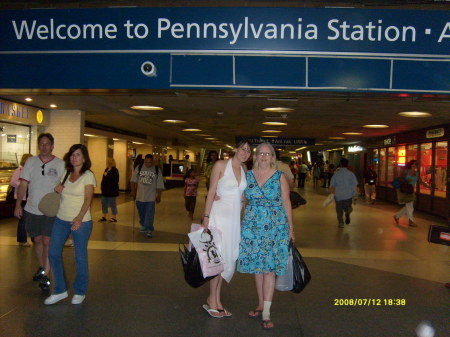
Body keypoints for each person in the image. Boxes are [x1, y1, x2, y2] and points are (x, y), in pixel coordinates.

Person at [238, 142, 294, 330]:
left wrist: (291, 229)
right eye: (260, 153)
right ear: (255, 156)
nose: (263, 156)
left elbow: (286, 203)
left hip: (274, 227)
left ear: (273, 157)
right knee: (257, 267)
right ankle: (261, 304)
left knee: (269, 268)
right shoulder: (248, 175)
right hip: (252, 227)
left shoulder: (280, 177)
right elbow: (242, 198)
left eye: (267, 154)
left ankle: (267, 312)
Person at [201, 140, 251, 318]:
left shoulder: (245, 170)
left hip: (234, 223)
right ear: (235, 149)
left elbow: (243, 197)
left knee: (225, 260)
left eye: (249, 151)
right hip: (218, 218)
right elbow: (212, 190)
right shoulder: (221, 165)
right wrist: (206, 218)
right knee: (217, 260)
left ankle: (214, 298)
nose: (245, 153)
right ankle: (214, 301)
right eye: (243, 149)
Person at [44, 144, 96, 305]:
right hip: (61, 218)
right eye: (72, 155)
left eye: (78, 155)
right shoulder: (66, 173)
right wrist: (57, 189)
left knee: (80, 257)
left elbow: (88, 199)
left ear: (84, 157)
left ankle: (80, 291)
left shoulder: (88, 175)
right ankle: (60, 290)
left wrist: (79, 217)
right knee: (53, 253)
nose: (74, 158)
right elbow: (61, 193)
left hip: (81, 220)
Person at [14, 133, 65, 292]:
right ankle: (42, 267)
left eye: (47, 144)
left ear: (52, 145)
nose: (44, 147)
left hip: (51, 210)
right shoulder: (30, 162)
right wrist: (18, 205)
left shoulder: (60, 164)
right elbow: (23, 185)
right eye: (41, 144)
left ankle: (46, 275)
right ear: (38, 145)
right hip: (32, 209)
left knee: (47, 241)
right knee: (37, 240)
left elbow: (66, 186)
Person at [130, 154, 165, 238]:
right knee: (141, 213)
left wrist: (159, 195)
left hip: (151, 197)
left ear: (152, 161)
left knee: (149, 213)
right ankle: (143, 224)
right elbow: (133, 181)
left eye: (149, 162)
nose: (147, 164)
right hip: (139, 196)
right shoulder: (139, 167)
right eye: (146, 162)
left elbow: (159, 184)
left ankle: (149, 229)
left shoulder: (157, 170)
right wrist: (133, 191)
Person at [393, 160, 428, 227]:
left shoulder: (417, 173)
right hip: (404, 190)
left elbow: (420, 182)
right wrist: (406, 181)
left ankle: (397, 216)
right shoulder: (406, 171)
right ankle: (410, 221)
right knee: (410, 206)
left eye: (416, 164)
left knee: (409, 206)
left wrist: (428, 187)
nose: (416, 165)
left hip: (411, 191)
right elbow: (399, 178)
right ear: (411, 165)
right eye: (415, 164)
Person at [10, 153, 33, 247]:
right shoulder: (18, 170)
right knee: (23, 220)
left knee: (31, 219)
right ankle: (22, 240)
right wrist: (23, 183)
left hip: (30, 198)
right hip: (22, 198)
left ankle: (34, 238)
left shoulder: (33, 171)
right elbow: (13, 182)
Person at [329, 158, 358, 228]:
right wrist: (355, 196)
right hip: (348, 196)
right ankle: (347, 212)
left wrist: (331, 195)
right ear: (347, 165)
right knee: (348, 207)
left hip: (338, 196)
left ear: (340, 164)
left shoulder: (336, 174)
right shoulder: (351, 174)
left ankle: (341, 223)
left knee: (339, 210)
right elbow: (355, 186)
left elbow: (332, 186)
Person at [99, 157, 119, 222]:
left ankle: (114, 217)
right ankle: (104, 216)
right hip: (105, 190)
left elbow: (115, 180)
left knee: (112, 204)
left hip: (111, 191)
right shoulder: (106, 169)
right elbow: (103, 178)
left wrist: (108, 176)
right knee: (104, 203)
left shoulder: (115, 170)